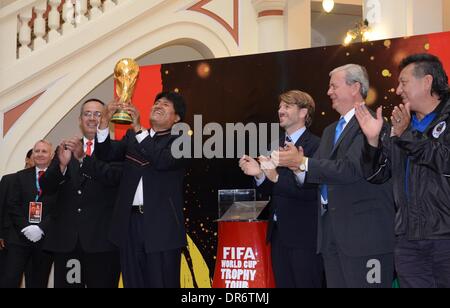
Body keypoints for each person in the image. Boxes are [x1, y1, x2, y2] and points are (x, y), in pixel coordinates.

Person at [275, 64, 395, 288]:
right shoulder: (330, 130)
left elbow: (350, 170)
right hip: (331, 238)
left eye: (333, 86)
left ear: (355, 87)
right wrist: (298, 168)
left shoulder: (372, 125)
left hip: (366, 240)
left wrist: (302, 162)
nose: (328, 92)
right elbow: (316, 176)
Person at [355, 53, 450, 288]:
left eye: (404, 83)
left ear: (427, 82)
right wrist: (372, 141)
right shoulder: (400, 125)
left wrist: (406, 134)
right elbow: (377, 175)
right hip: (407, 240)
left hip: (444, 238)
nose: (398, 90)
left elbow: (444, 160)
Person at [95, 92, 188, 288]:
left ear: (177, 118)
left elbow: (161, 161)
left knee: (162, 282)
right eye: (157, 102)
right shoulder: (132, 137)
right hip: (129, 224)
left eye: (166, 104)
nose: (158, 105)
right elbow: (105, 155)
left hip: (162, 227)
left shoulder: (182, 141)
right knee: (133, 282)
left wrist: (138, 128)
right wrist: (104, 122)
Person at [239, 90, 323, 288]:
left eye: (287, 106)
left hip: (304, 236)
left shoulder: (317, 146)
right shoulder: (273, 145)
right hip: (278, 236)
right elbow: (271, 190)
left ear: (303, 112)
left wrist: (274, 177)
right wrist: (258, 174)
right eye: (280, 107)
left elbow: (310, 190)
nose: (280, 110)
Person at [40, 99, 122, 288]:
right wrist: (60, 165)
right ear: (80, 120)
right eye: (87, 114)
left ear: (105, 120)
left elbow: (114, 178)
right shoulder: (65, 148)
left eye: (98, 114)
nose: (92, 118)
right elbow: (46, 186)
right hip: (68, 243)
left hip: (102, 242)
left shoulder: (117, 149)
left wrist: (83, 158)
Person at [3, 140, 56, 288]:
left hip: (45, 241)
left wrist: (40, 228)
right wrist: (26, 227)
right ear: (32, 154)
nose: (40, 154)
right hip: (19, 238)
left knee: (38, 283)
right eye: (37, 151)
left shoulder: (59, 178)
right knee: (10, 280)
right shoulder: (20, 176)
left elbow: (59, 207)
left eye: (44, 151)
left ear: (51, 155)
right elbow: (12, 205)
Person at [0, 149, 36, 287]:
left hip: (35, 240)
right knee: (9, 280)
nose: (38, 158)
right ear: (27, 160)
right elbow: (1, 206)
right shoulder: (9, 179)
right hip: (10, 240)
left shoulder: (45, 181)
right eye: (34, 156)